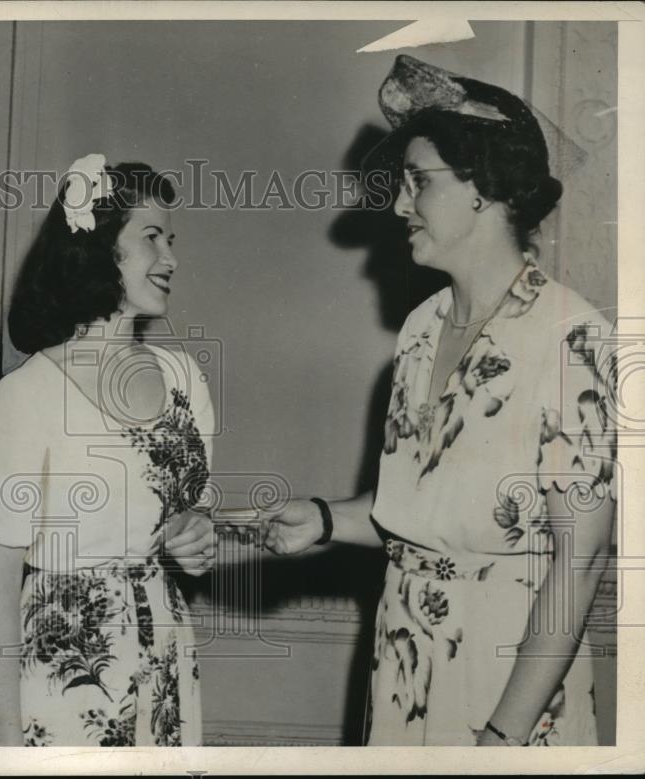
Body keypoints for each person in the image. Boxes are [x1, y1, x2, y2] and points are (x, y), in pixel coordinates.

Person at [261, 56, 617, 746]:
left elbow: (580, 560)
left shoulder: (573, 341)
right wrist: (325, 520)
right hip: (403, 662)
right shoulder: (422, 329)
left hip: (507, 684)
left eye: (419, 182)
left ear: (484, 188)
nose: (399, 205)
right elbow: (423, 512)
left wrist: (504, 737)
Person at [0, 156, 215, 746]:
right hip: (66, 672)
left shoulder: (184, 377)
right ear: (100, 248)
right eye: (151, 237)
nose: (172, 258)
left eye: (171, 239)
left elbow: (198, 510)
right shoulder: (26, 395)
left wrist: (199, 531)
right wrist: (2, 749)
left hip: (166, 656)